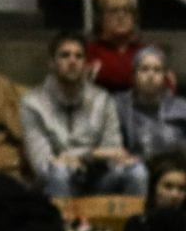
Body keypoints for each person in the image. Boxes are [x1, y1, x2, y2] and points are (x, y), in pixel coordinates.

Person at [20, 32, 148, 198]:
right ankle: (65, 224)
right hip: (54, 183)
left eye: (78, 56)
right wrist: (92, 154)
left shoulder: (102, 99)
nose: (72, 61)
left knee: (137, 172)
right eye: (65, 56)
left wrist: (82, 157)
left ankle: (137, 224)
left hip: (97, 178)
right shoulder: (32, 103)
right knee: (58, 172)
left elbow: (113, 152)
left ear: (86, 64)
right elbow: (42, 165)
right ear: (52, 63)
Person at [115, 46, 186, 167]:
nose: (150, 75)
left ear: (165, 77)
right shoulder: (119, 106)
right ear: (134, 75)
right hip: (136, 168)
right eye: (144, 69)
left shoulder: (184, 107)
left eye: (157, 70)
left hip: (180, 169)